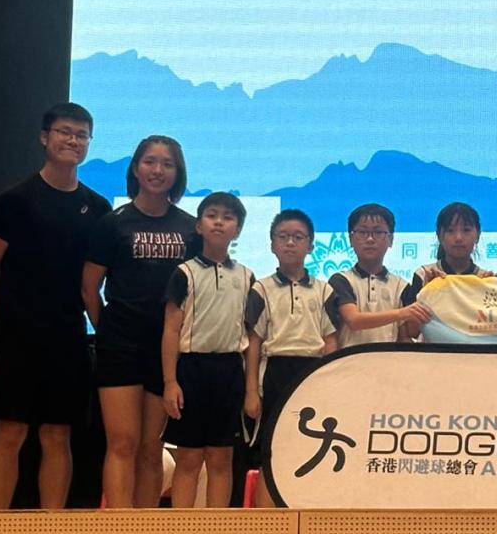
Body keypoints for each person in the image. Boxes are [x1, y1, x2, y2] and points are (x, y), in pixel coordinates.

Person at [0, 102, 111, 509]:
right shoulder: (10, 203)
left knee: (57, 434)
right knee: (10, 432)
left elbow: (93, 282)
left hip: (68, 338)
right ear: (45, 137)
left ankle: (52, 524)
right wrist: (3, 320)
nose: (73, 140)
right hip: (17, 339)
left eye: (81, 135)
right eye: (65, 132)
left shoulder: (98, 208)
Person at [82, 135, 196, 508]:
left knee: (151, 448)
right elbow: (89, 288)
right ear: (135, 168)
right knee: (122, 443)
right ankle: (118, 527)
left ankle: (145, 526)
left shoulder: (191, 229)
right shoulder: (111, 224)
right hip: (120, 348)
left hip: (166, 352)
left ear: (177, 173)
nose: (157, 170)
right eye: (150, 161)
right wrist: (109, 332)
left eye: (167, 164)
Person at [161, 191, 254, 508]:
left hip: (229, 372)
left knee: (221, 459)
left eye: (228, 218)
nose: (219, 222)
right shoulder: (184, 273)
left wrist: (249, 387)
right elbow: (171, 330)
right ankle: (183, 528)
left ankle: (217, 527)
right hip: (191, 371)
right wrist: (170, 382)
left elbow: (250, 334)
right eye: (212, 215)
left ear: (237, 230)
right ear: (199, 225)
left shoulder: (246, 276)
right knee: (189, 458)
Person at [244, 209, 338, 507]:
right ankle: (265, 524)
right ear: (272, 244)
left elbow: (331, 340)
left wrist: (329, 385)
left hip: (312, 374)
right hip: (275, 372)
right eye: (283, 237)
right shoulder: (261, 289)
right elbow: (253, 342)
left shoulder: (324, 290)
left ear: (310, 245)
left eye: (298, 237)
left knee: (310, 450)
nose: (290, 243)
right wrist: (251, 392)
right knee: (270, 452)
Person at [325, 203, 429, 347]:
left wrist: (427, 292)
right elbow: (353, 320)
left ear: (391, 239)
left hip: (387, 360)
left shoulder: (401, 286)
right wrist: (401, 313)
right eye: (363, 232)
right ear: (350, 239)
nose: (370, 239)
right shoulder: (341, 280)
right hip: (349, 359)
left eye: (378, 232)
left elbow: (409, 333)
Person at [401, 201, 491, 340]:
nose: (458, 238)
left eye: (466, 230)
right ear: (439, 235)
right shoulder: (424, 274)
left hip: (474, 352)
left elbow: (495, 331)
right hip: (433, 352)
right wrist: (428, 294)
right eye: (450, 231)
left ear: (478, 235)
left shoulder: (485, 279)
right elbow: (412, 331)